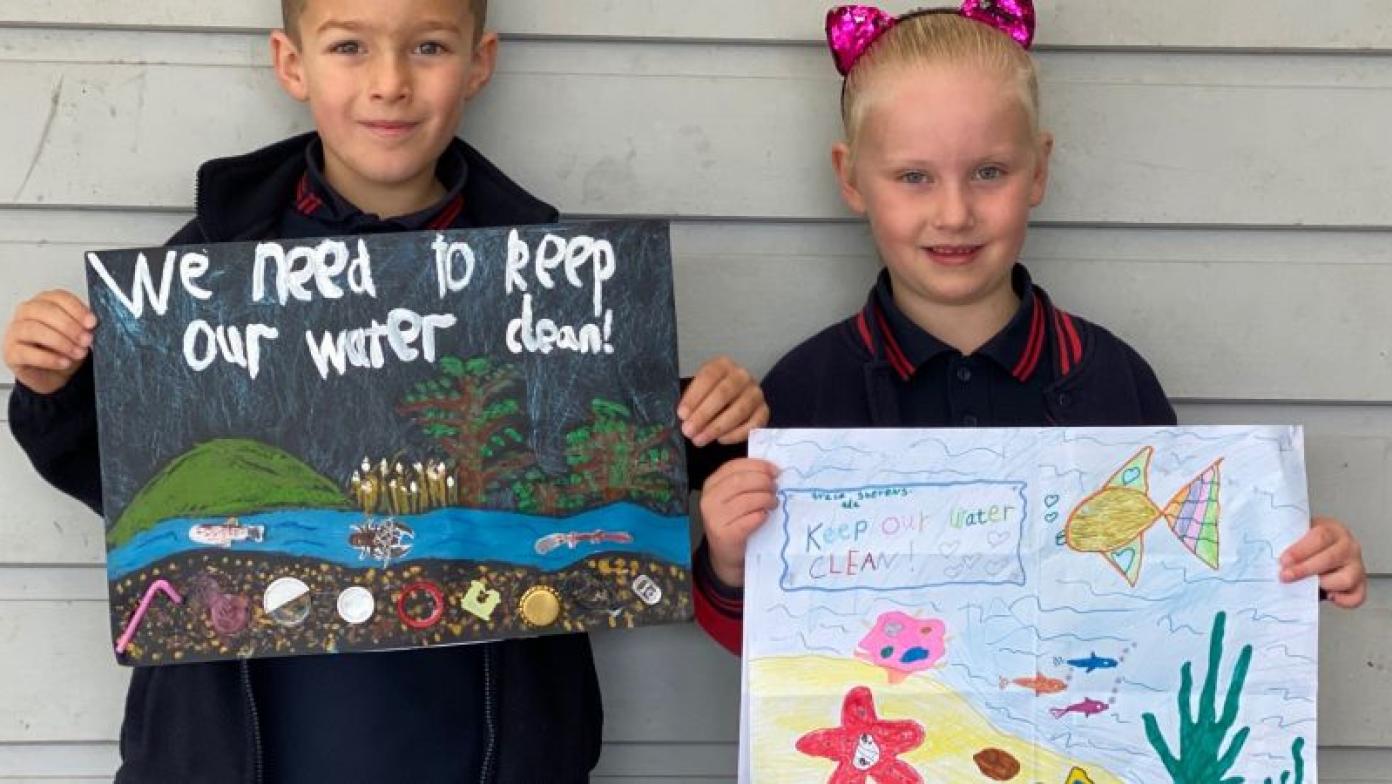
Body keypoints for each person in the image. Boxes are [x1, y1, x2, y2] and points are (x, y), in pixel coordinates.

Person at [3, 1, 766, 781]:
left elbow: (599, 457)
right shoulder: (206, 267)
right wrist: (53, 383)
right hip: (242, 750)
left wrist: (712, 421)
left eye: (428, 46)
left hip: (486, 749)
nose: (389, 83)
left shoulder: (548, 272)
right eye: (349, 47)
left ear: (479, 62)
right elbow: (122, 478)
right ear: (291, 63)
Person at [691, 3, 1367, 656]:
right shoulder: (803, 394)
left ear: (1038, 169)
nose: (954, 213)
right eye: (914, 177)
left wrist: (1295, 572)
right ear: (852, 178)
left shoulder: (1114, 379)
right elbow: (757, 659)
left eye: (989, 172)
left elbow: (1175, 597)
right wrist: (727, 559)